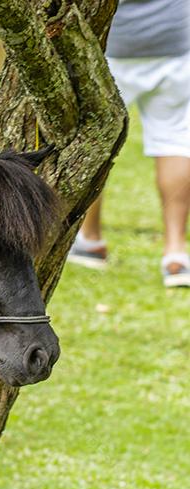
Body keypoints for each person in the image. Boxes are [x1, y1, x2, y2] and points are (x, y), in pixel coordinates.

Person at [69, 0, 190, 287]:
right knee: (176, 140)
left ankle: (91, 240)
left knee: (94, 137)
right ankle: (175, 252)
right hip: (175, 40)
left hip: (111, 45)